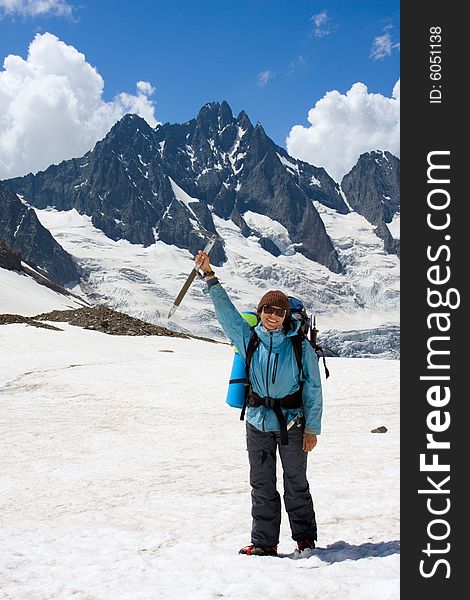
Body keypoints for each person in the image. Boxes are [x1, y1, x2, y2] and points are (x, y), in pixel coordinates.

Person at [194, 250, 323, 557]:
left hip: (293, 423)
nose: (272, 316)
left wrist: (312, 428)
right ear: (261, 311)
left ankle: (304, 538)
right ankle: (265, 542)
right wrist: (209, 275)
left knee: (295, 483)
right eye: (268, 310)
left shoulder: (299, 345)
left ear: (285, 316)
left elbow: (314, 388)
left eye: (278, 312)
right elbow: (226, 313)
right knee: (261, 486)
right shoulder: (248, 338)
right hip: (257, 422)